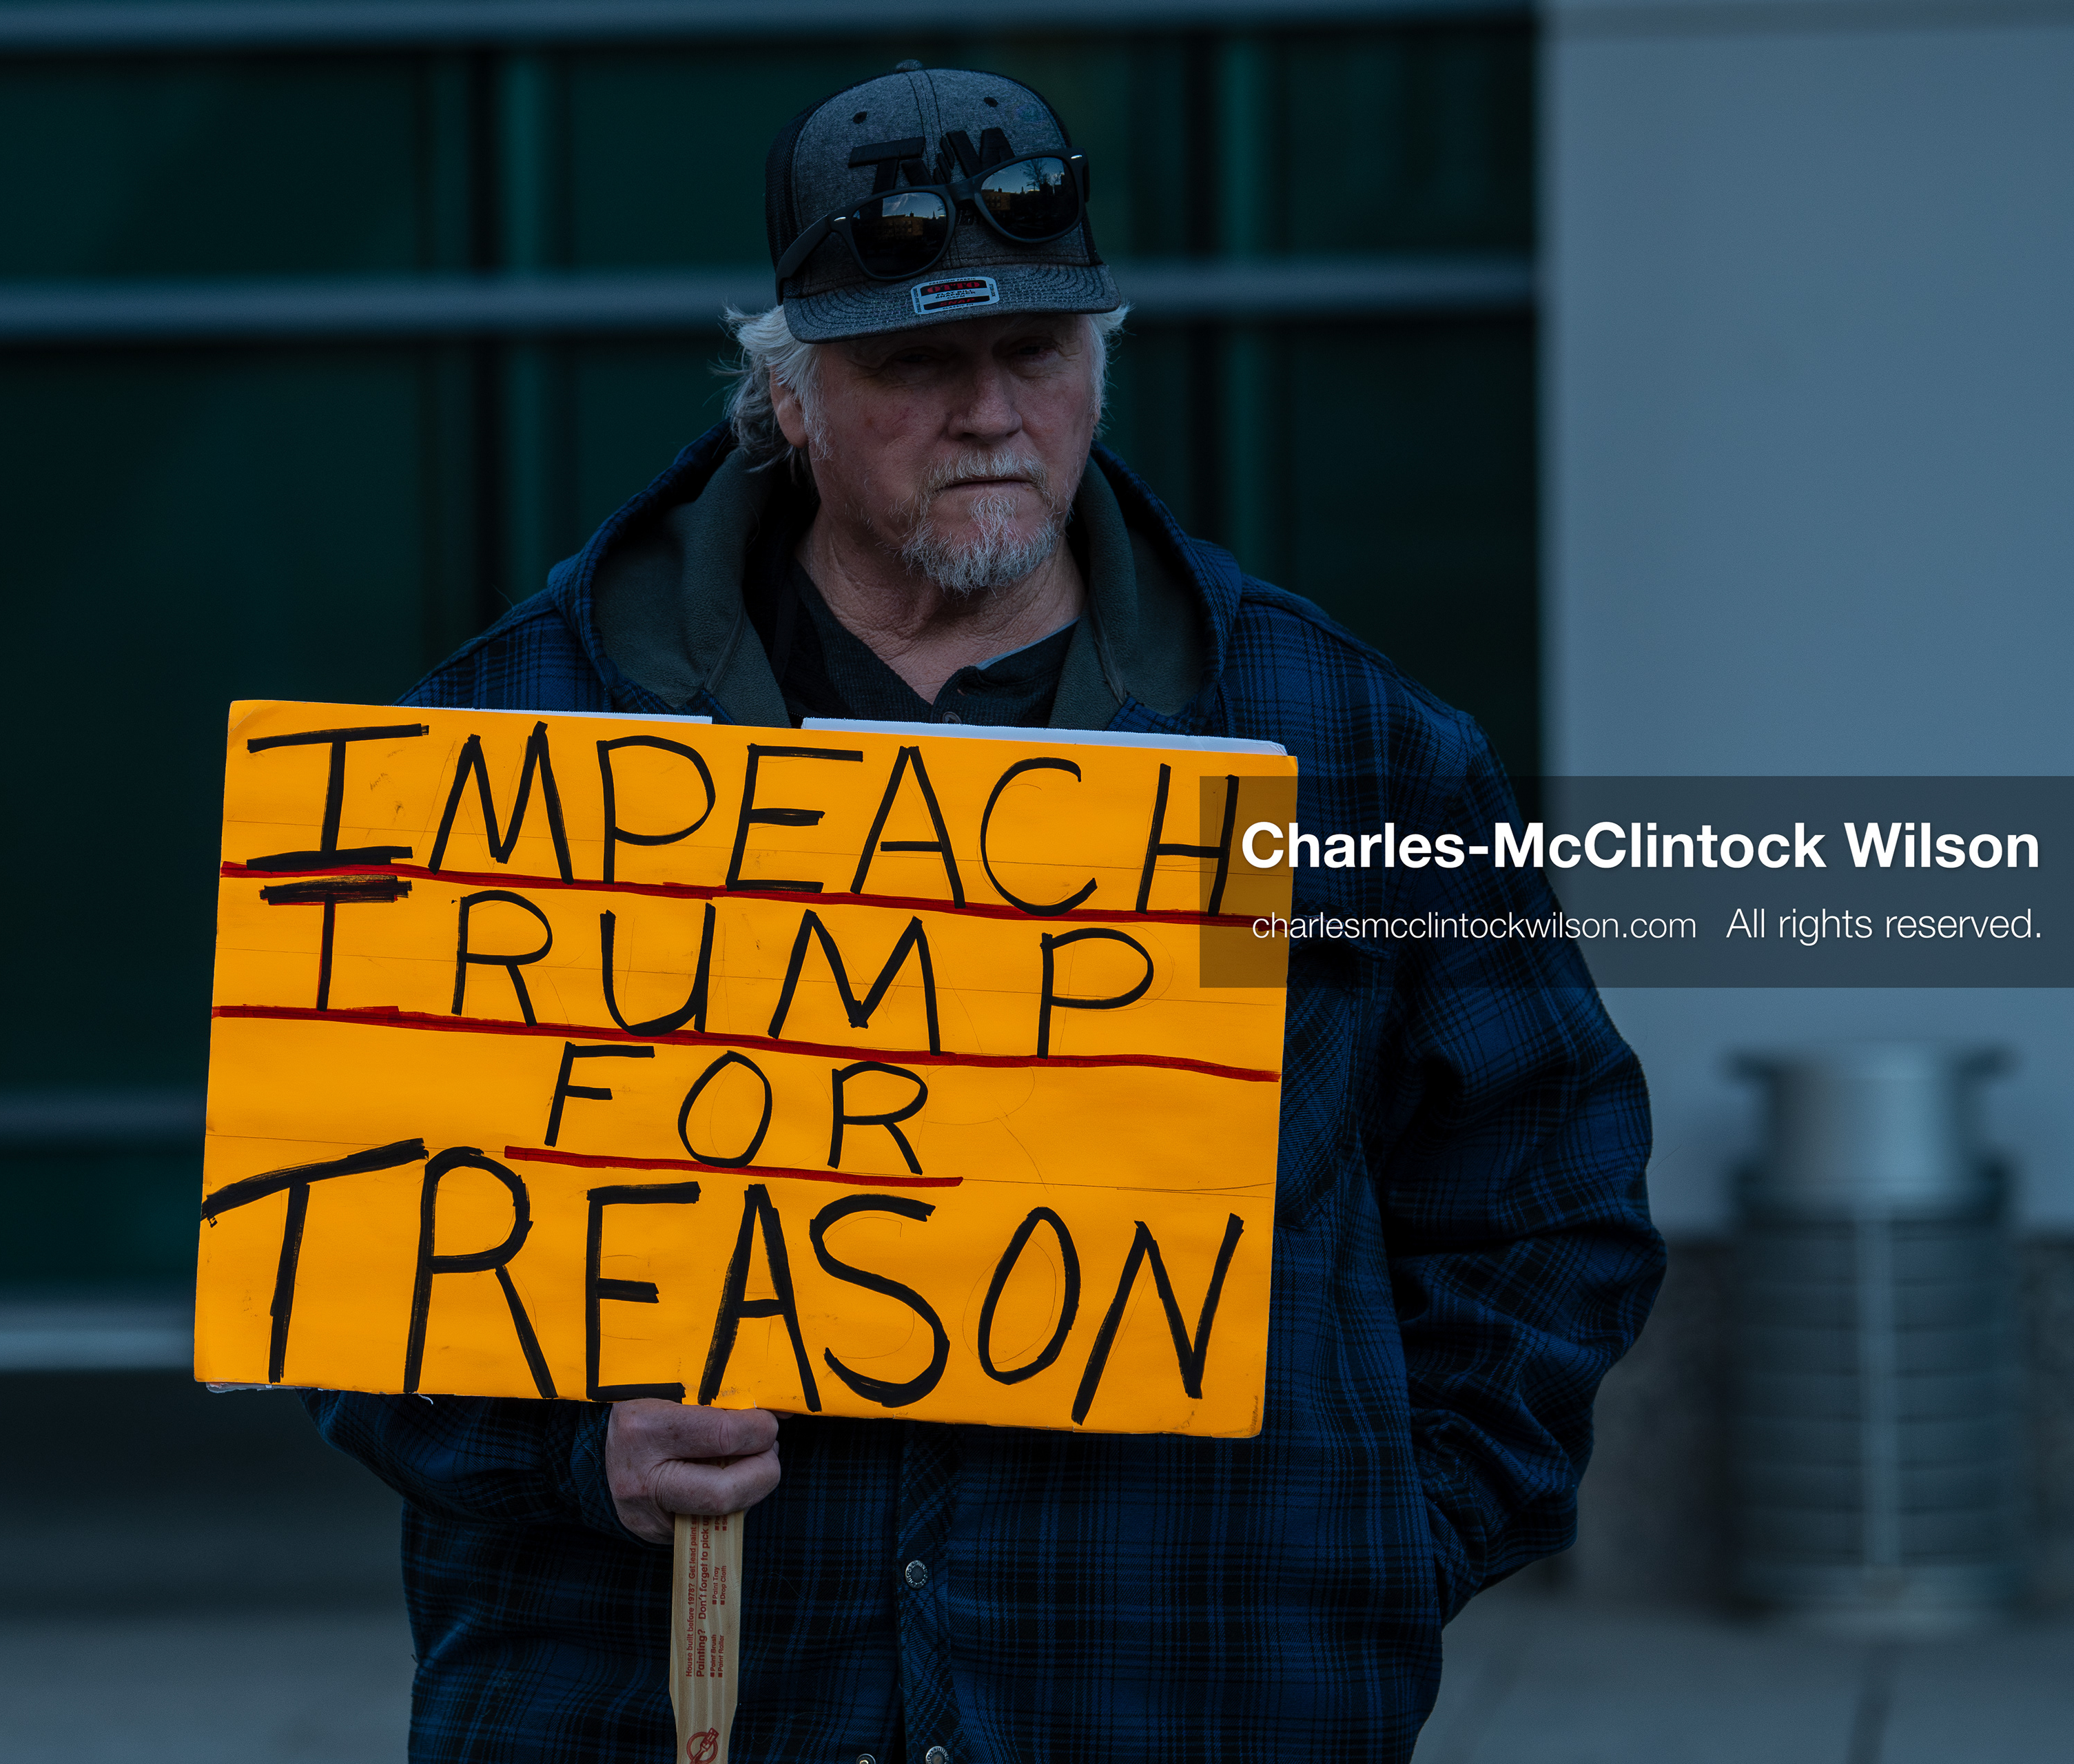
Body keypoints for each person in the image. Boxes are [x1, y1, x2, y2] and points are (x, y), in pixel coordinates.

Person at [311, 63, 1663, 1764]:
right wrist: (573, 1448)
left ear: (1101, 358)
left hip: (1189, 1691)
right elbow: (352, 1238)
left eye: (1035, 352)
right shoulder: (522, 745)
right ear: (788, 393)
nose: (989, 414)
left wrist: (1391, 1537)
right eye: (912, 366)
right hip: (651, 1705)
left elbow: (1548, 1181)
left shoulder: (1346, 748)